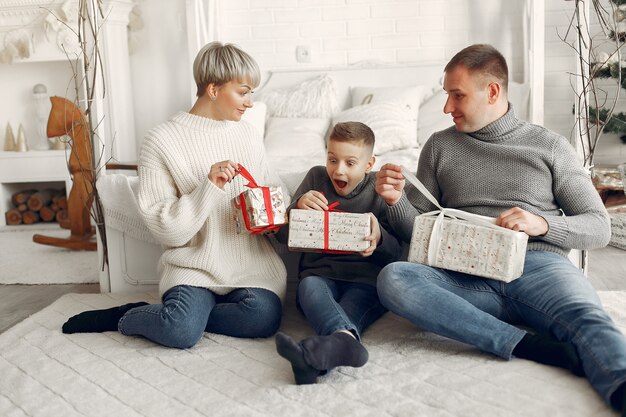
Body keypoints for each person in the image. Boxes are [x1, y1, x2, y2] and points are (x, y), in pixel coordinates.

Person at [375, 44, 626, 415]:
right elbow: (416, 229)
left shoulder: (550, 146)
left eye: (457, 95)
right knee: (394, 278)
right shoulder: (440, 146)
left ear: (492, 91)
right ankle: (522, 344)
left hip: (538, 269)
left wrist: (541, 224)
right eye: (447, 95)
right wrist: (395, 202)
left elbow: (598, 227)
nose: (447, 108)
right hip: (464, 275)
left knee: (587, 316)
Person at [62, 41, 287, 348]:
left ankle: (181, 315)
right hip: (192, 267)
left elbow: (274, 190)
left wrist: (278, 211)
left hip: (249, 267)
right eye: (243, 91)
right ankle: (130, 316)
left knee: (262, 317)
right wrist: (208, 187)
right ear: (213, 89)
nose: (249, 102)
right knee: (179, 332)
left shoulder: (247, 134)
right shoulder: (161, 140)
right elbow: (166, 228)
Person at [274, 122, 402, 384]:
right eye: (332, 159)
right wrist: (296, 209)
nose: (338, 169)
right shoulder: (315, 178)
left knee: (351, 308)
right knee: (308, 287)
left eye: (350, 163)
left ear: (369, 164)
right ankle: (345, 344)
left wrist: (379, 238)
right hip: (319, 275)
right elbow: (282, 237)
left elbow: (394, 254)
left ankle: (314, 360)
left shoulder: (379, 191)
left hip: (364, 281)